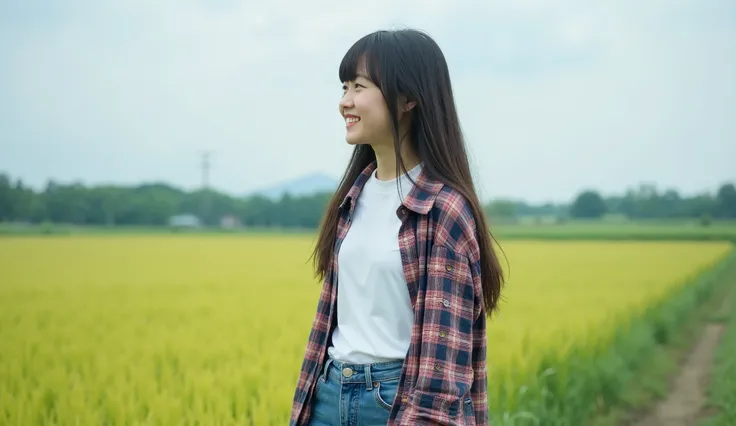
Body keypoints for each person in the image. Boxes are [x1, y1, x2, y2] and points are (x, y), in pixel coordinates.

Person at [289, 28, 505, 426]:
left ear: (408, 99)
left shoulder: (444, 211)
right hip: (329, 391)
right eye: (344, 86)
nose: (345, 102)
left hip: (394, 403)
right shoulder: (351, 200)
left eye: (359, 86)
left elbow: (442, 369)